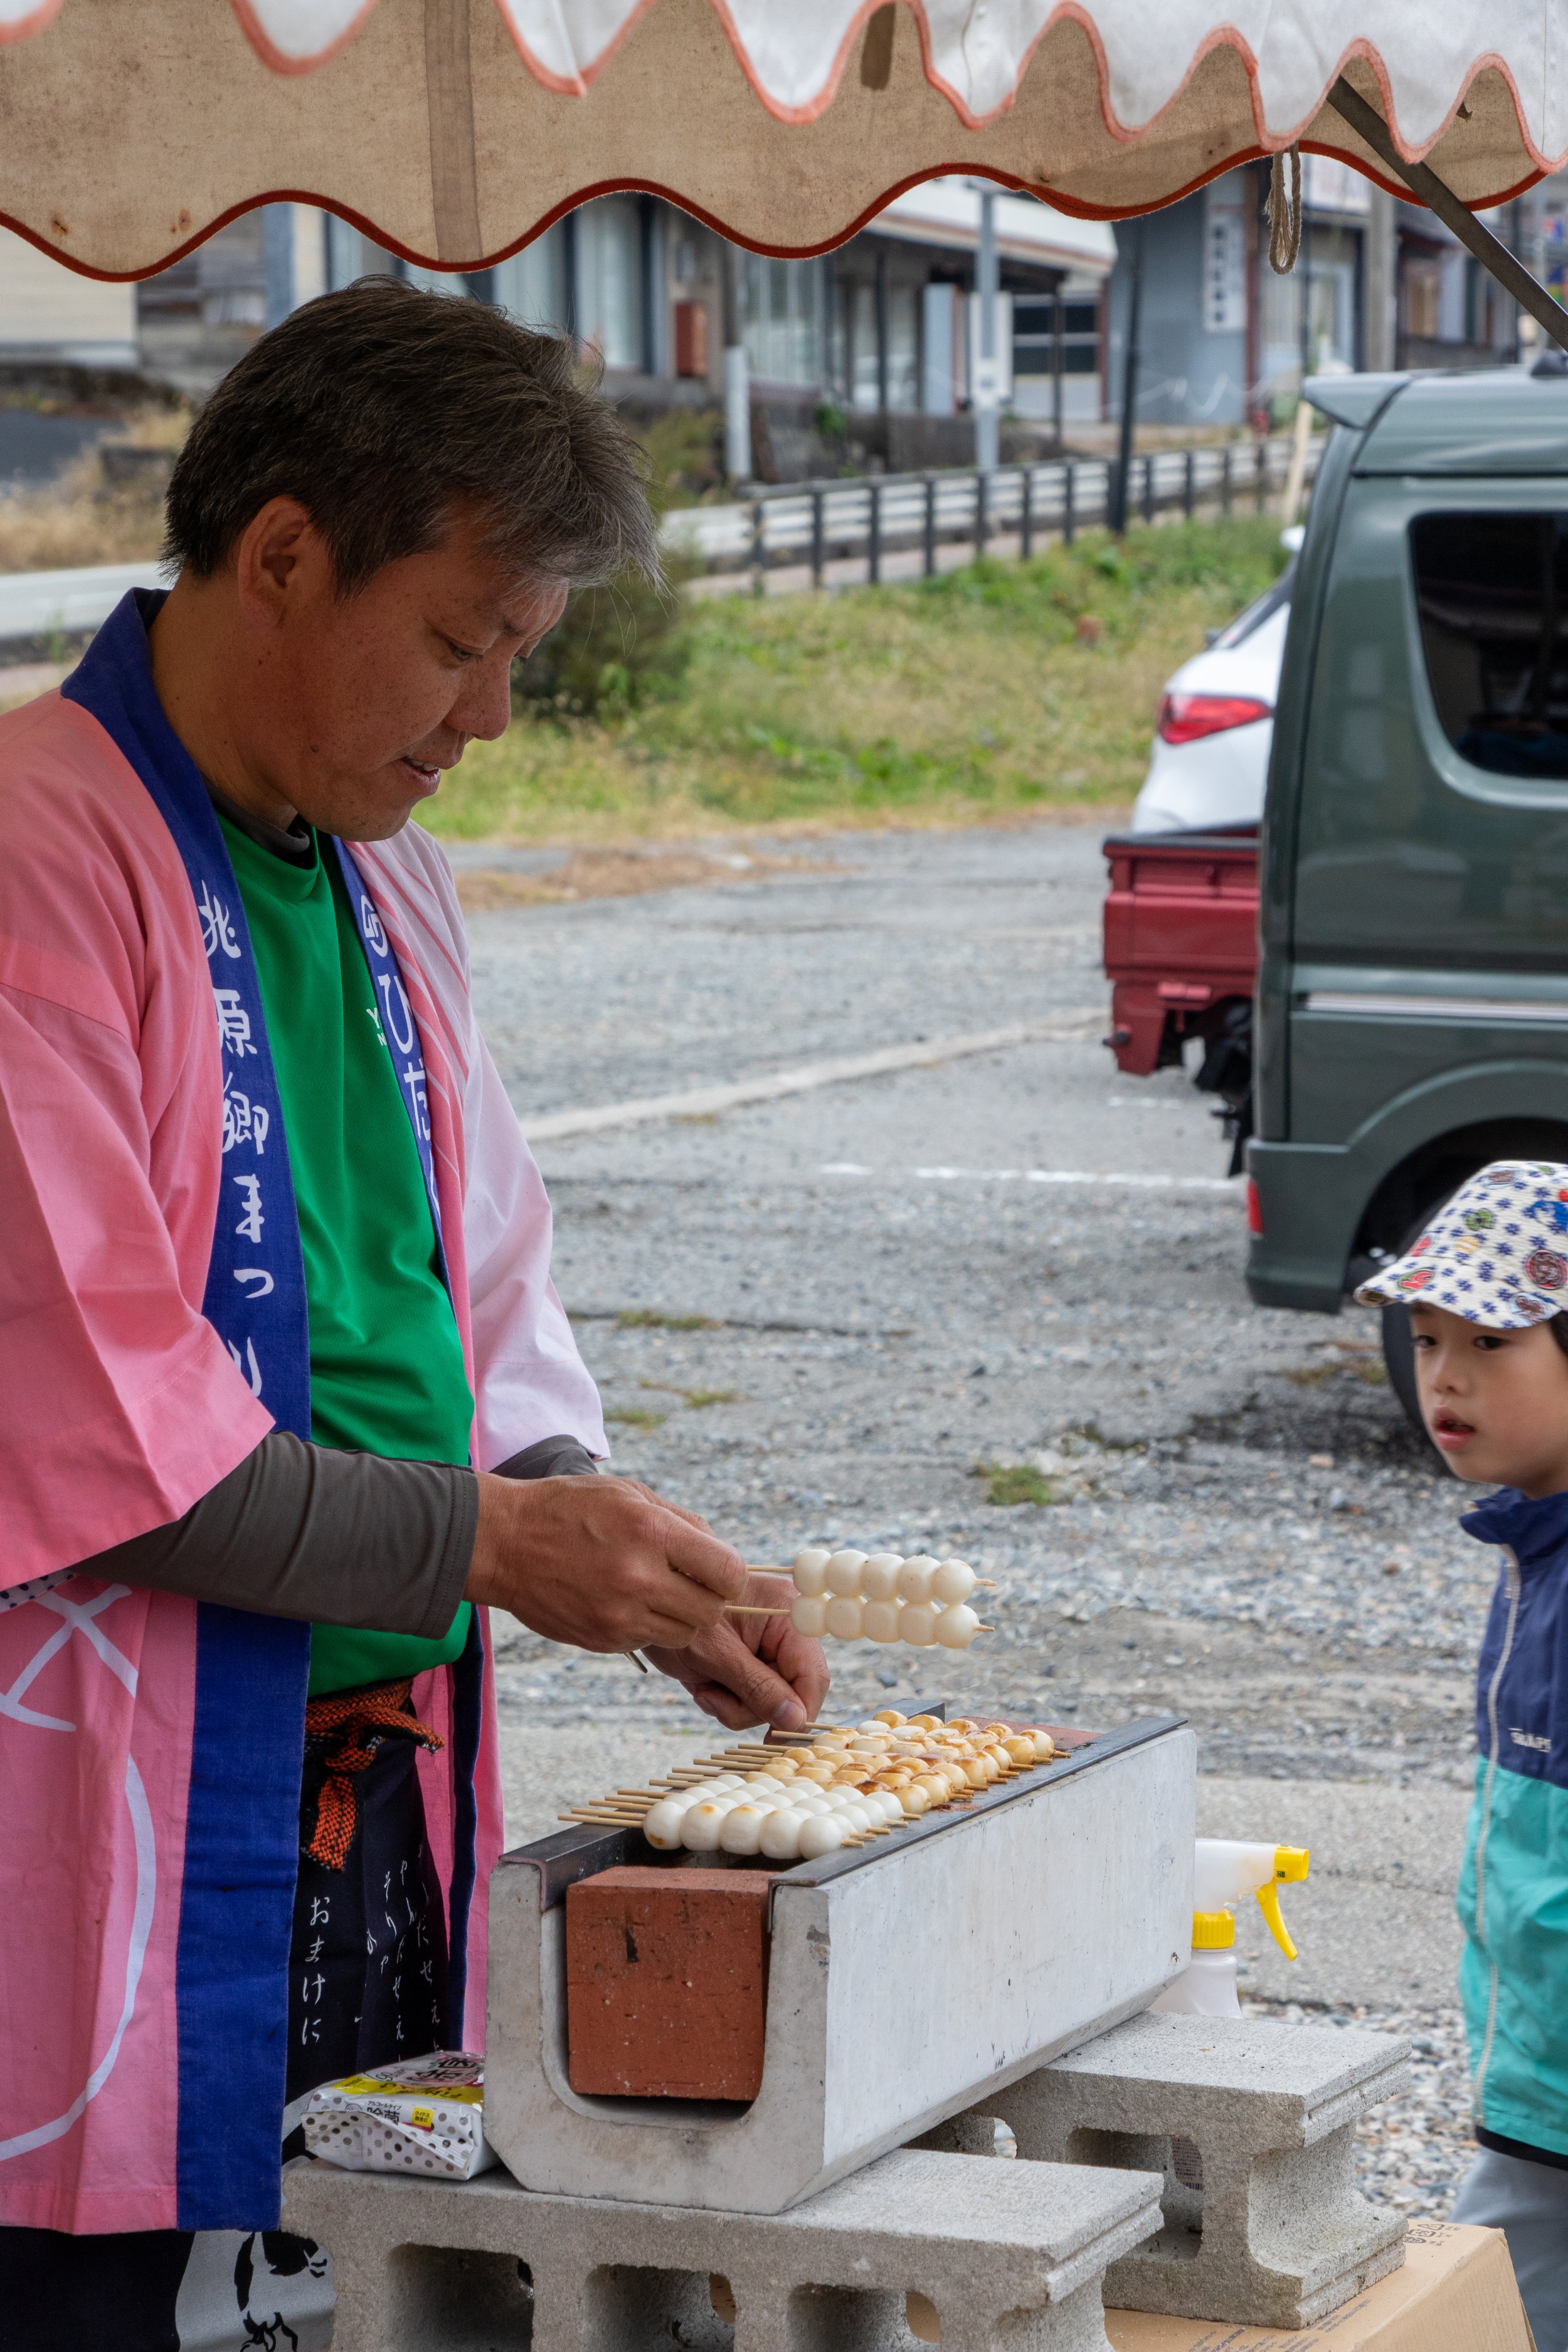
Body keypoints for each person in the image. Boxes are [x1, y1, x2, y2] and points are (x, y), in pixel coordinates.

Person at [0, 278, 828, 2351]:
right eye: (463, 642)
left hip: (371, 1793)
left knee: (343, 2291)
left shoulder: (388, 878)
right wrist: (509, 1541)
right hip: (108, 1817)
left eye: (517, 657)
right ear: (282, 554)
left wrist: (608, 1537)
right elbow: (114, 1441)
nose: (490, 718)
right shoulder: (34, 858)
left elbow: (484, 1298)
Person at [1357, 1160, 1568, 2352]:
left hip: (1556, 2094)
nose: (1445, 1373)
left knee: (1472, 2318)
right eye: (1430, 1337)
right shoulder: (1534, 1547)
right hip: (1538, 2077)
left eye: (1492, 1339)